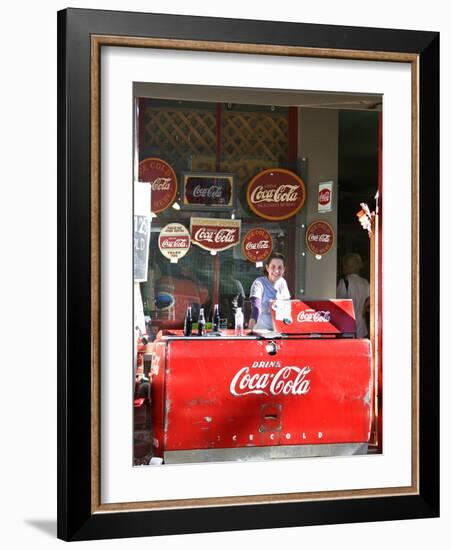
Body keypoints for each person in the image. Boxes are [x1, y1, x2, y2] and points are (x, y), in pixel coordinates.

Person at [248, 252, 291, 331]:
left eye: (280, 267)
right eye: (273, 267)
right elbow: (256, 308)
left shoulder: (283, 283)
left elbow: (287, 308)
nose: (276, 271)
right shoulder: (259, 283)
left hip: (279, 331)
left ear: (284, 269)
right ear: (267, 268)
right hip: (261, 332)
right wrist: (250, 331)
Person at [336, 252, 370, 338]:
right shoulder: (366, 283)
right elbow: (370, 300)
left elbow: (338, 304)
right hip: (362, 328)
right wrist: (364, 309)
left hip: (347, 327)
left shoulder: (344, 282)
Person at [219, 259, 245, 328]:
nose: (230, 272)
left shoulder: (237, 284)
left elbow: (241, 303)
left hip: (235, 319)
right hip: (221, 317)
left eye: (231, 270)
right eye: (228, 270)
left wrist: (241, 319)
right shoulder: (218, 284)